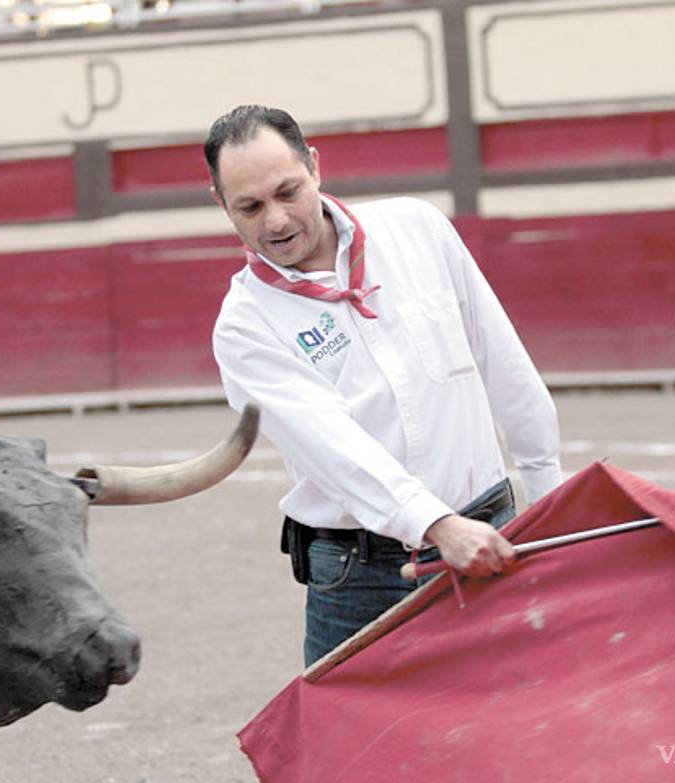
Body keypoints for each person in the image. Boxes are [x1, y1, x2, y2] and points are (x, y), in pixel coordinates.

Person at [205, 105, 562, 667]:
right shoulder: (244, 327)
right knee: (349, 755)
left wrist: (548, 495)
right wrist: (437, 525)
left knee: (515, 738)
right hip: (361, 578)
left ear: (315, 167)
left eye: (287, 191)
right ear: (221, 205)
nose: (275, 221)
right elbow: (332, 449)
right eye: (250, 206)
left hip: (490, 532)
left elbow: (501, 359)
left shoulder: (416, 229)